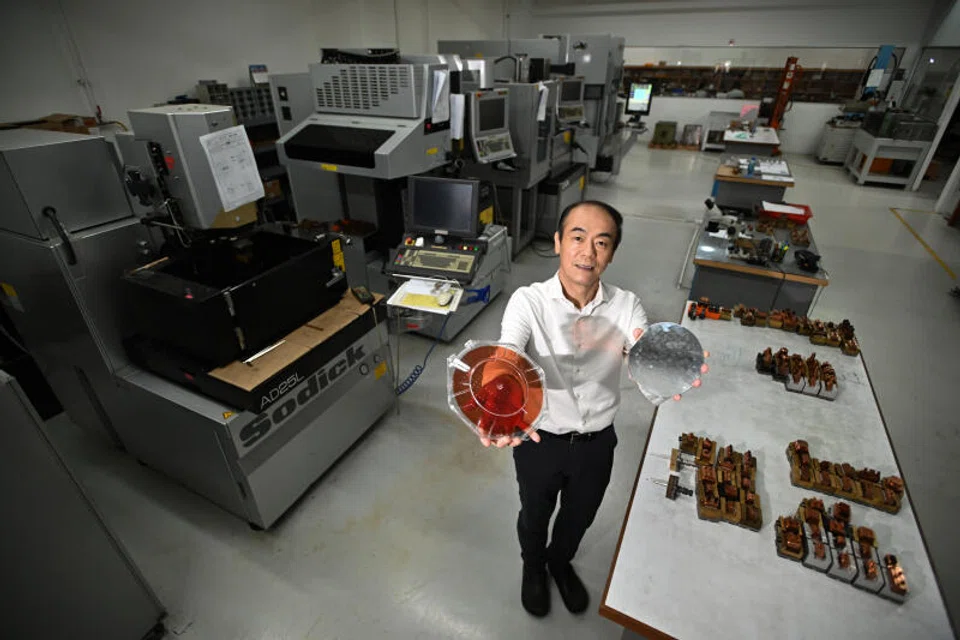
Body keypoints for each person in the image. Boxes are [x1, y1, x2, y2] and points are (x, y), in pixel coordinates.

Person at [480, 200, 707, 618]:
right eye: (578, 238)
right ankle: (533, 566)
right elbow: (510, 347)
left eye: (602, 243)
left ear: (612, 253)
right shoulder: (528, 302)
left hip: (596, 443)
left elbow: (641, 347)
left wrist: (666, 364)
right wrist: (497, 395)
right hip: (539, 440)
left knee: (579, 516)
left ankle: (559, 562)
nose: (588, 252)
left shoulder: (626, 306)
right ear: (558, 242)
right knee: (534, 511)